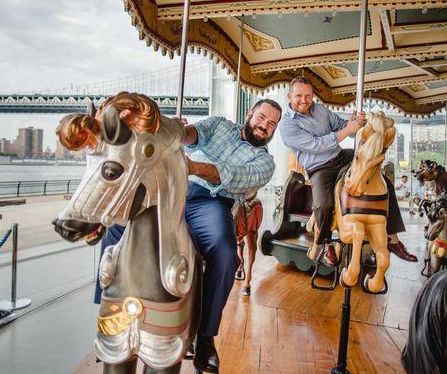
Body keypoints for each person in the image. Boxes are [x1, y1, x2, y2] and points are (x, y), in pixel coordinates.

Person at [95, 99, 282, 374]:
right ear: (250, 113)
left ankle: (206, 337)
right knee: (116, 223)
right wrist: (171, 128)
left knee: (225, 252)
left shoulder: (265, 162)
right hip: (174, 188)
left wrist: (193, 167)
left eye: (272, 124)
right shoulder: (220, 125)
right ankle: (108, 308)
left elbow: (232, 177)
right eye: (262, 117)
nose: (265, 125)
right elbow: (192, 134)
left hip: (211, 202)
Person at [278, 76, 417, 264]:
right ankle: (325, 243)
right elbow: (316, 145)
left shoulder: (320, 110)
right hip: (320, 168)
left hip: (341, 156)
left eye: (308, 95)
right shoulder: (287, 124)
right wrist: (347, 130)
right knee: (323, 204)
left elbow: (341, 125)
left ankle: (392, 238)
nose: (304, 100)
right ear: (289, 96)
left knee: (383, 182)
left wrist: (353, 122)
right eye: (299, 96)